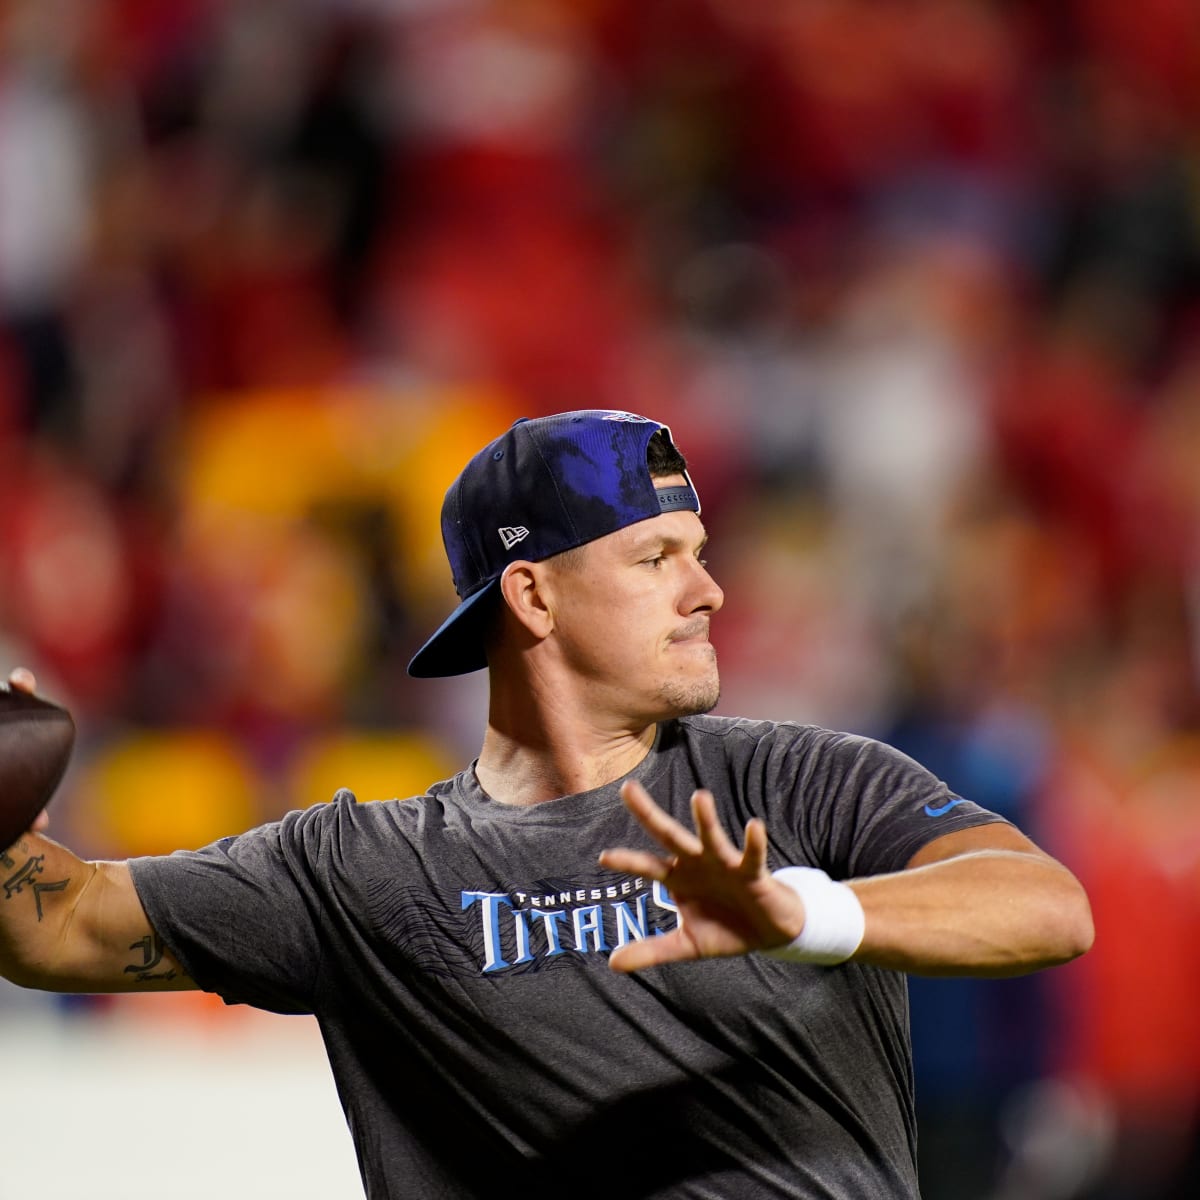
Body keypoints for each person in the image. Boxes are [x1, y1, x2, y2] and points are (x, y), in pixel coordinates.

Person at [0, 409, 1092, 1199]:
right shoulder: (362, 869)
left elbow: (1047, 909)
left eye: (700, 555)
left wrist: (805, 916)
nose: (706, 591)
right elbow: (57, 924)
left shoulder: (797, 785)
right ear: (530, 594)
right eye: (656, 557)